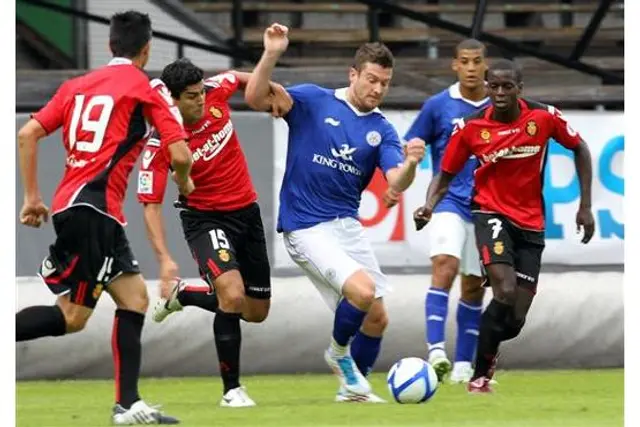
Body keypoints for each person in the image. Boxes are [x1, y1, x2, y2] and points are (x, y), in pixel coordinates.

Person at [15, 11, 194, 424]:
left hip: (83, 208)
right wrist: (183, 183)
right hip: (93, 210)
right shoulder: (146, 88)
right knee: (73, 317)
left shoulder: (75, 86)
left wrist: (32, 198)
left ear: (111, 45)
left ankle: (127, 405)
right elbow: (180, 153)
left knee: (135, 299)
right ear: (147, 49)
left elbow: (27, 134)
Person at [244, 24, 426, 402]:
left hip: (346, 227)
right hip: (305, 226)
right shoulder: (312, 100)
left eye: (385, 84)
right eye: (372, 80)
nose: (377, 89)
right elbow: (256, 97)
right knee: (362, 291)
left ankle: (352, 391)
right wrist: (272, 54)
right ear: (353, 74)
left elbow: (397, 181)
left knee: (377, 318)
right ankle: (338, 354)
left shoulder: (382, 131)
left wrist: (409, 164)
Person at [414, 59, 595, 393]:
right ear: (486, 87)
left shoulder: (543, 117)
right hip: (489, 213)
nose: (499, 93)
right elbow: (446, 173)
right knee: (505, 290)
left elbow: (580, 148)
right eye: (493, 86)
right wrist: (428, 205)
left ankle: (485, 354)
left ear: (519, 89)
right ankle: (478, 376)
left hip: (531, 221)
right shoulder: (470, 127)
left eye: (506, 86)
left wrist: (585, 206)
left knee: (514, 320)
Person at [137, 57, 292, 407]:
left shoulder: (214, 92)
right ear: (173, 100)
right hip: (205, 220)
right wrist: (164, 259)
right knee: (232, 296)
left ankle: (186, 295)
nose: (201, 100)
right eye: (192, 96)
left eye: (201, 92)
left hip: (247, 213)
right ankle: (231, 390)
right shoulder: (161, 143)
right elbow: (151, 205)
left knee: (255, 312)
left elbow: (237, 77)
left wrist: (273, 87)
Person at [405, 39, 490, 383]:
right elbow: (413, 140)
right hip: (448, 201)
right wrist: (413, 151)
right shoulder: (438, 106)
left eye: (477, 61)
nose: (471, 67)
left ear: (485, 64)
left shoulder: (498, 106)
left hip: (485, 206)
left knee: (473, 286)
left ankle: (464, 367)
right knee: (445, 264)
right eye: (464, 61)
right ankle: (436, 351)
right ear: (454, 65)